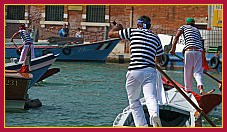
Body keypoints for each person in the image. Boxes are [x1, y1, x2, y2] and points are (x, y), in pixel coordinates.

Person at [108, 15, 164, 127]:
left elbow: (110, 35)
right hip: (149, 70)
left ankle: (142, 125)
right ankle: (154, 115)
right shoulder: (156, 37)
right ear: (149, 26)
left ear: (138, 25)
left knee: (134, 101)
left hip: (134, 70)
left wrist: (117, 27)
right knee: (151, 97)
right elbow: (159, 60)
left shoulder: (132, 31)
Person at [169, 18, 205, 95]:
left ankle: (188, 90)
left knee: (187, 72)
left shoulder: (183, 27)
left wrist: (173, 49)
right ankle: (200, 87)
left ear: (186, 23)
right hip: (199, 52)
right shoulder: (196, 30)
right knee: (198, 72)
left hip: (189, 51)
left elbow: (176, 37)